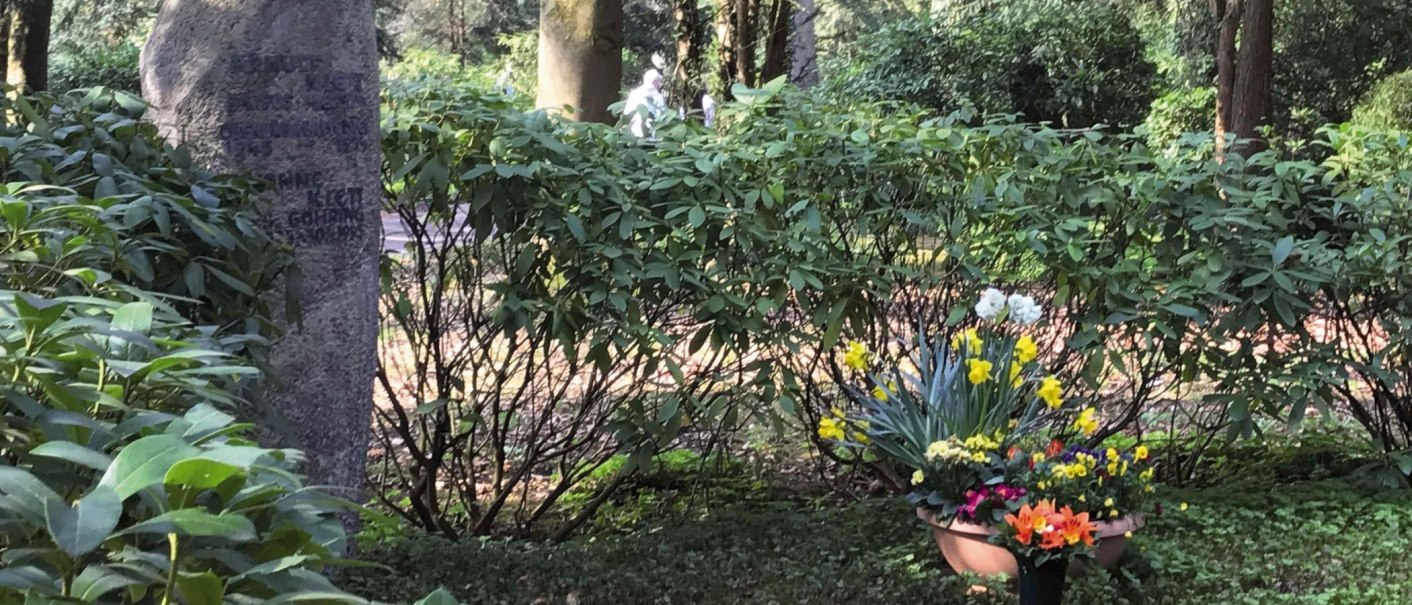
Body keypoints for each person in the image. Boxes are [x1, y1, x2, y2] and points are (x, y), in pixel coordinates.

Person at [624, 69, 667, 140]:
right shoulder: (658, 97)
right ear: (654, 82)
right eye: (659, 82)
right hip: (651, 137)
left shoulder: (634, 94)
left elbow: (627, 113)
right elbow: (662, 117)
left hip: (633, 136)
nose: (660, 85)